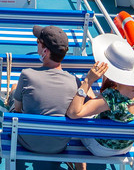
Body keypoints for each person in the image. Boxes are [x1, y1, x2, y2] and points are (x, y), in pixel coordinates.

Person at [66, 32, 134, 170]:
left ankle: (80, 164)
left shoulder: (112, 97)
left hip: (101, 147)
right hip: (126, 145)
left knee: (78, 105)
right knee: (90, 100)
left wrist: (88, 81)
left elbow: (73, 113)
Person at [7, 25, 80, 159]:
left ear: (45, 51)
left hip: (28, 143)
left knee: (13, 90)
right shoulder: (75, 82)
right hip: (59, 146)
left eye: (38, 42)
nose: (37, 46)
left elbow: (18, 110)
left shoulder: (27, 75)